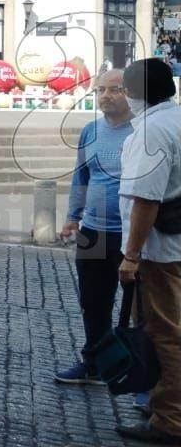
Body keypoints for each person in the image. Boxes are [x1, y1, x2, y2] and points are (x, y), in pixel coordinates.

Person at [52, 69, 135, 387]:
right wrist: (73, 216)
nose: (105, 96)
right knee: (93, 301)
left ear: (131, 93)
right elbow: (81, 176)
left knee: (139, 305)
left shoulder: (140, 132)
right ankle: (95, 363)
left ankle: (144, 372)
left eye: (114, 89)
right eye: (100, 90)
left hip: (130, 232)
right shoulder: (90, 130)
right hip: (93, 229)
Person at [115, 58, 181, 444]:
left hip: (158, 250)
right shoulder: (172, 120)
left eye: (125, 87)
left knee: (164, 333)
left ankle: (169, 420)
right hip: (170, 244)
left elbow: (145, 199)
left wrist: (132, 255)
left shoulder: (151, 131)